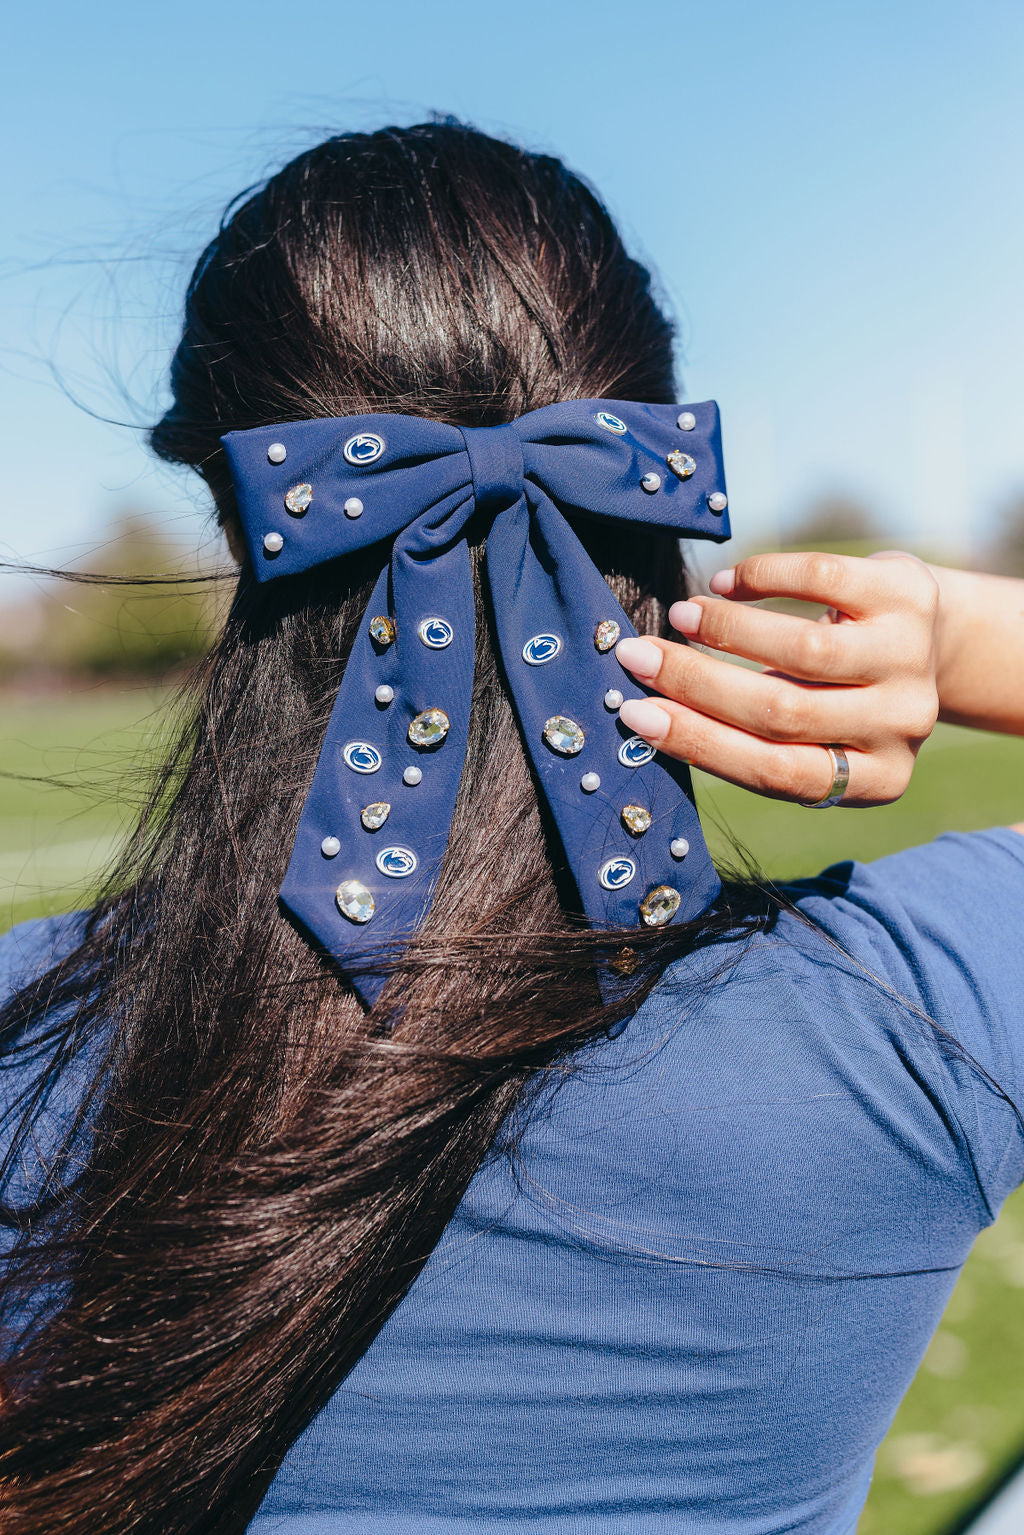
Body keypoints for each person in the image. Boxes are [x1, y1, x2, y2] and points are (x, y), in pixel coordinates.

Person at [0, 120, 1022, 1535]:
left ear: (239, 497)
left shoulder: (22, 1042)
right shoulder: (908, 1019)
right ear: (647, 468)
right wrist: (969, 639)